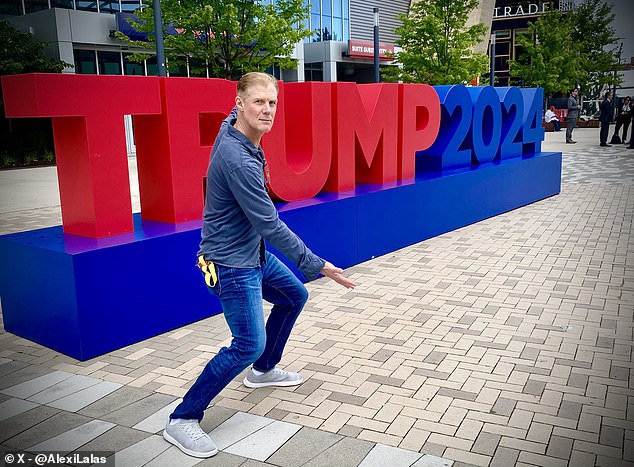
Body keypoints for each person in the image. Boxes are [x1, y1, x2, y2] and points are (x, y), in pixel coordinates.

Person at [162, 72, 355, 458]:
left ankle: (264, 370)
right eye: (258, 103)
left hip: (253, 254)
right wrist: (317, 264)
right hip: (231, 264)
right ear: (239, 105)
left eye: (272, 103)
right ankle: (183, 419)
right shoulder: (238, 161)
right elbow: (269, 223)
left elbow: (261, 228)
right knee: (247, 343)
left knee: (293, 295)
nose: (267, 110)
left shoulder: (234, 130)